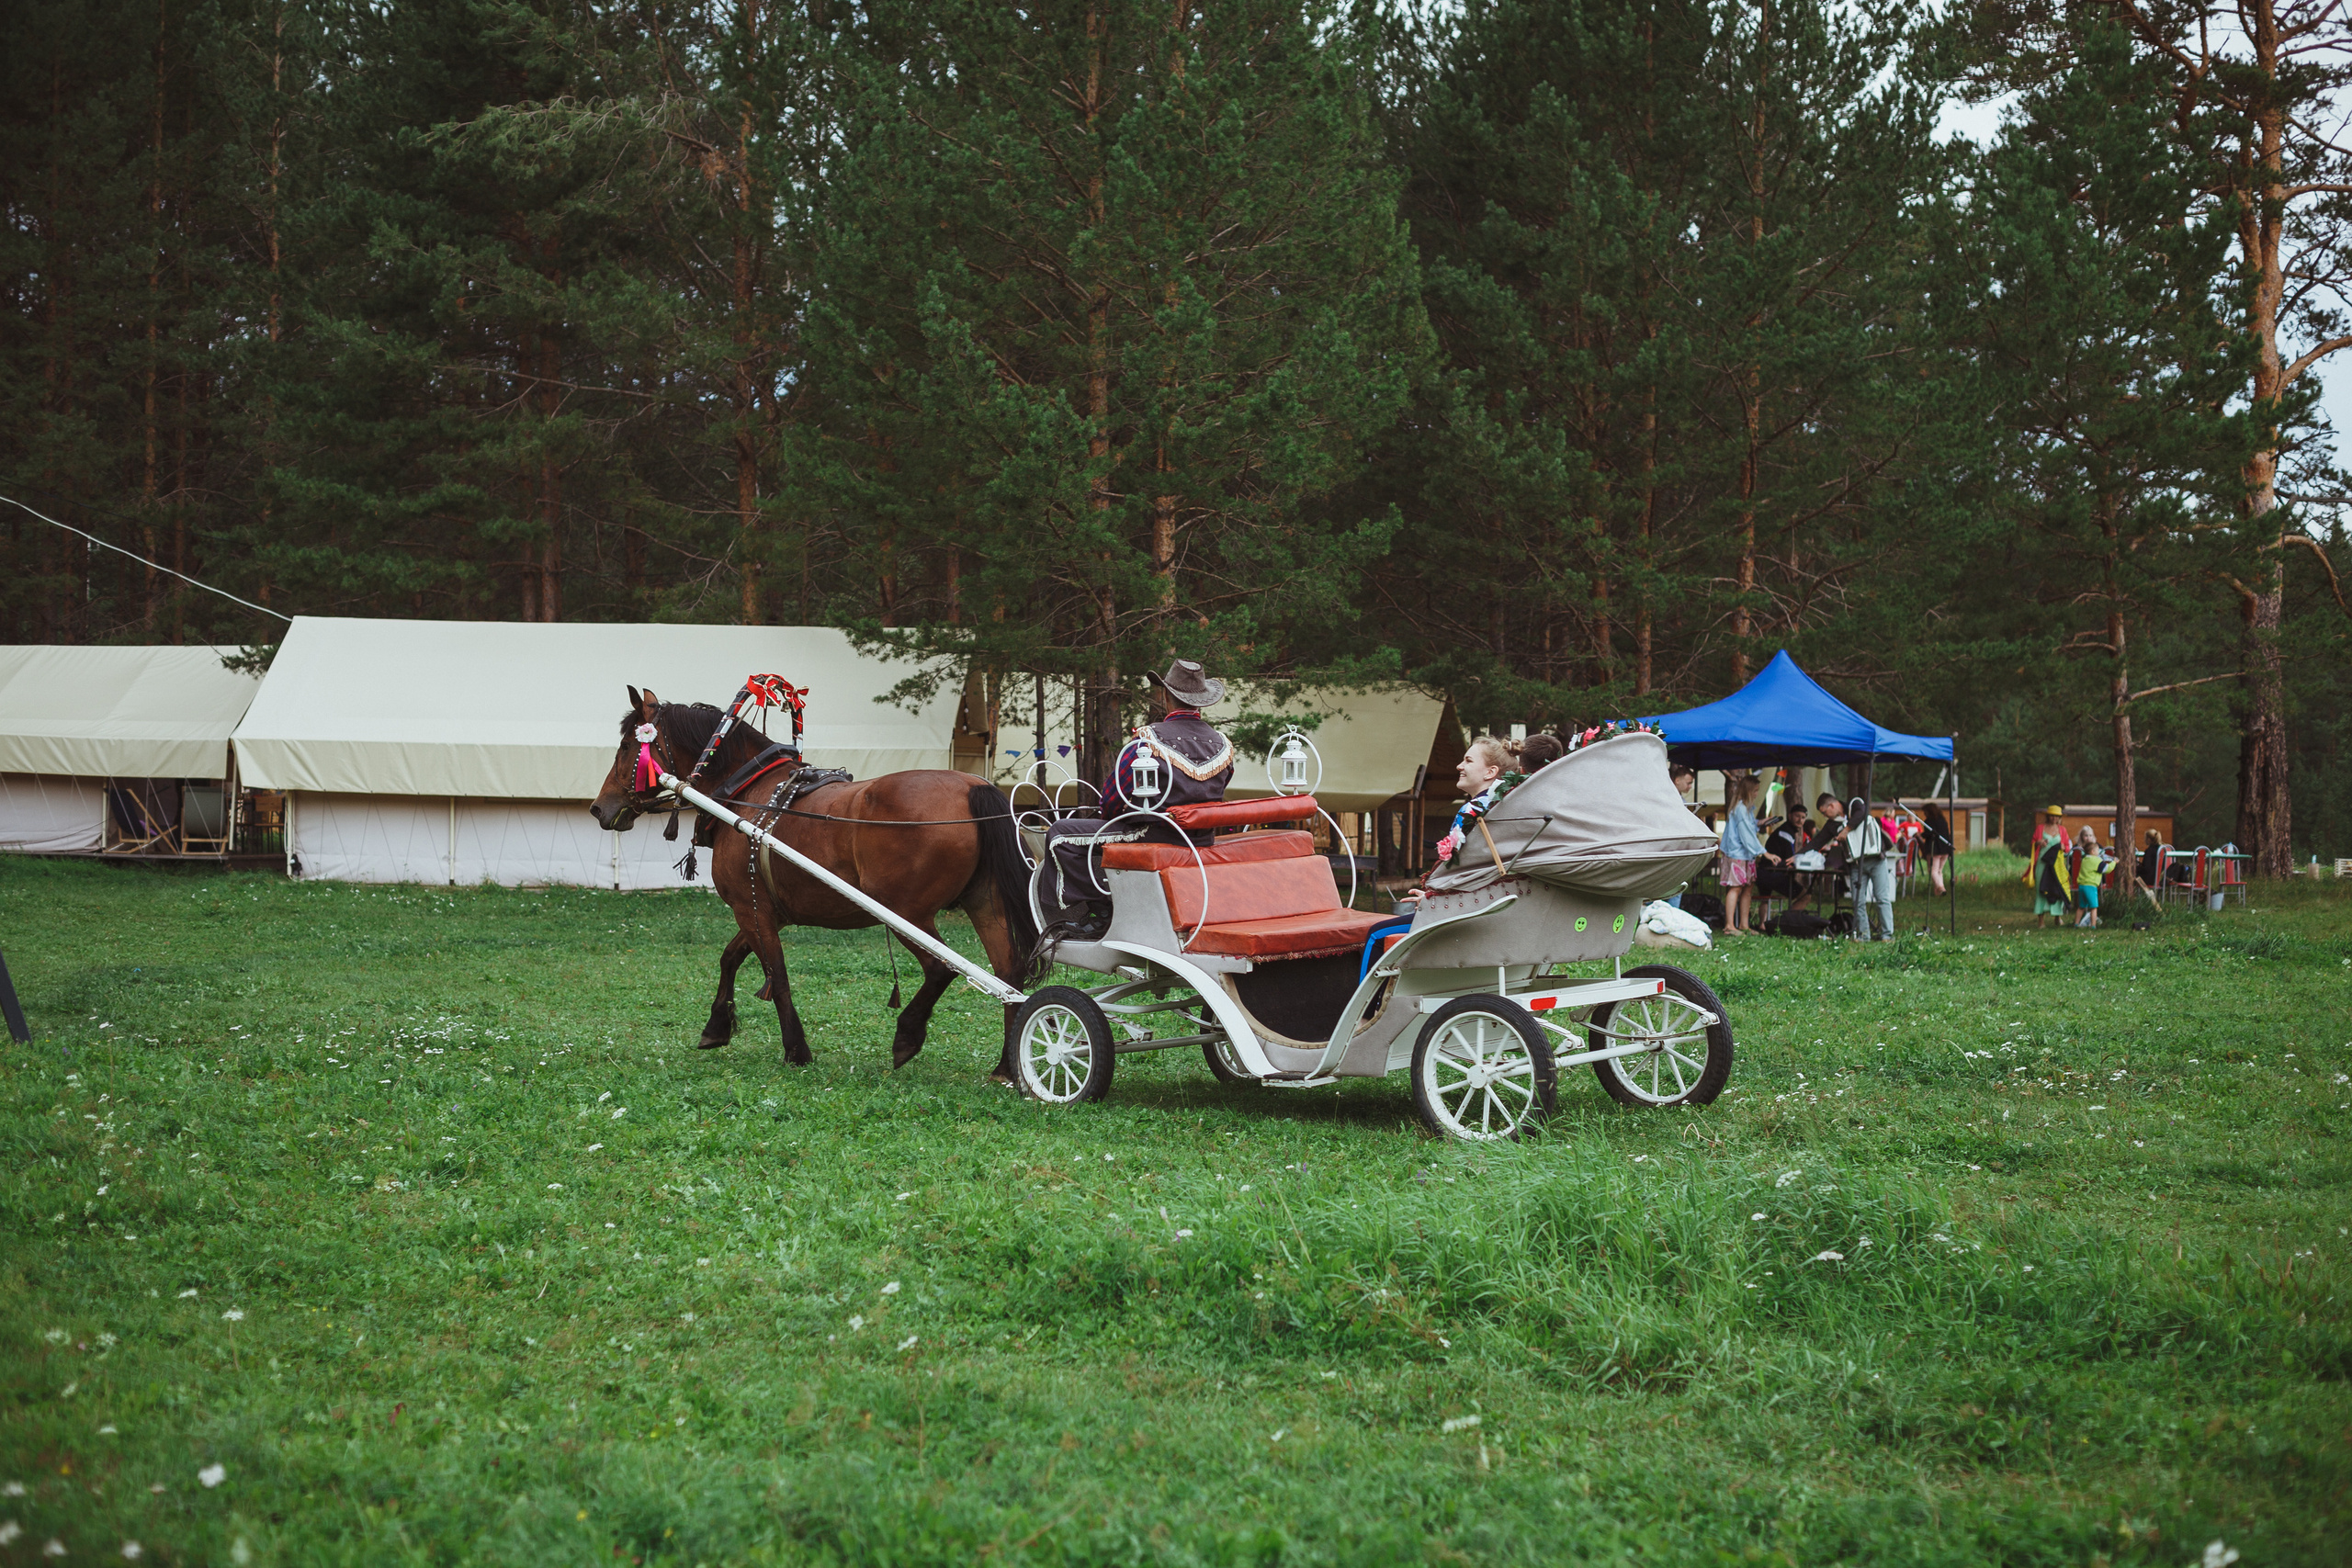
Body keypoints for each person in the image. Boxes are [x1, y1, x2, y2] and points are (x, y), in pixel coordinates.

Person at [1038, 660, 1235, 942]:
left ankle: (1103, 912)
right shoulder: (1222, 744)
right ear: (1202, 702)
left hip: (1151, 833)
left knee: (1060, 835)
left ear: (1166, 696)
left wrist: (1114, 816)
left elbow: (1112, 798)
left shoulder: (1148, 740)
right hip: (1202, 838)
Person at [1842, 795, 1897, 942]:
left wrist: (1847, 829)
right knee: (1858, 900)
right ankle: (1864, 934)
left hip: (1875, 862)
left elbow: (1862, 812)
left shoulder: (1857, 815)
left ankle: (1887, 934)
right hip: (1858, 864)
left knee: (1881, 898)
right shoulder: (1848, 823)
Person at [1718, 773, 1765, 934]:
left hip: (1745, 854)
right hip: (1737, 854)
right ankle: (1729, 925)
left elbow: (1749, 826)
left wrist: (1759, 823)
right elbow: (1746, 835)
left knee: (1748, 888)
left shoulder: (1746, 809)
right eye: (1755, 790)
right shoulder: (1740, 809)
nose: (1757, 794)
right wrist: (1763, 852)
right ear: (1748, 791)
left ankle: (1744, 924)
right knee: (1736, 887)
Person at [1758, 801, 1811, 908]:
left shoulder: (1785, 830)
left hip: (1763, 872)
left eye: (1803, 817)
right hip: (1772, 874)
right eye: (1797, 816)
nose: (1800, 820)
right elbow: (1789, 859)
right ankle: (1786, 918)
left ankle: (1764, 921)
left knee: (1765, 900)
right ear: (1790, 816)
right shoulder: (1785, 833)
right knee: (1806, 896)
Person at [2029, 806, 2070, 926]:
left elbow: (2068, 847)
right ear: (2048, 816)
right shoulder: (2040, 828)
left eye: (2056, 816)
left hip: (2057, 864)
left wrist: (2063, 847)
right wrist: (2039, 842)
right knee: (2041, 888)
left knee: (2057, 888)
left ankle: (2057, 917)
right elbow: (2033, 843)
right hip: (2042, 863)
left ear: (2059, 818)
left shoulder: (2062, 830)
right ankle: (2041, 920)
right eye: (2052, 815)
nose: (2054, 818)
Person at [2071, 825, 2114, 930]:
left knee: (2081, 906)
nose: (2099, 852)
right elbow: (2106, 869)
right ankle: (2093, 925)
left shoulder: (2084, 859)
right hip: (2091, 886)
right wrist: (2114, 863)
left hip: (2081, 886)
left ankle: (2076, 923)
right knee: (2094, 907)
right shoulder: (2096, 860)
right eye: (2097, 850)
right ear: (2093, 852)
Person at [1920, 801, 1955, 895]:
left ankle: (1941, 888)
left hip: (1934, 849)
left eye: (1925, 812)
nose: (1924, 814)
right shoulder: (1943, 821)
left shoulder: (1929, 822)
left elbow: (1929, 834)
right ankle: (1938, 892)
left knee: (1933, 871)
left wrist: (1921, 835)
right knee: (1939, 871)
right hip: (1945, 849)